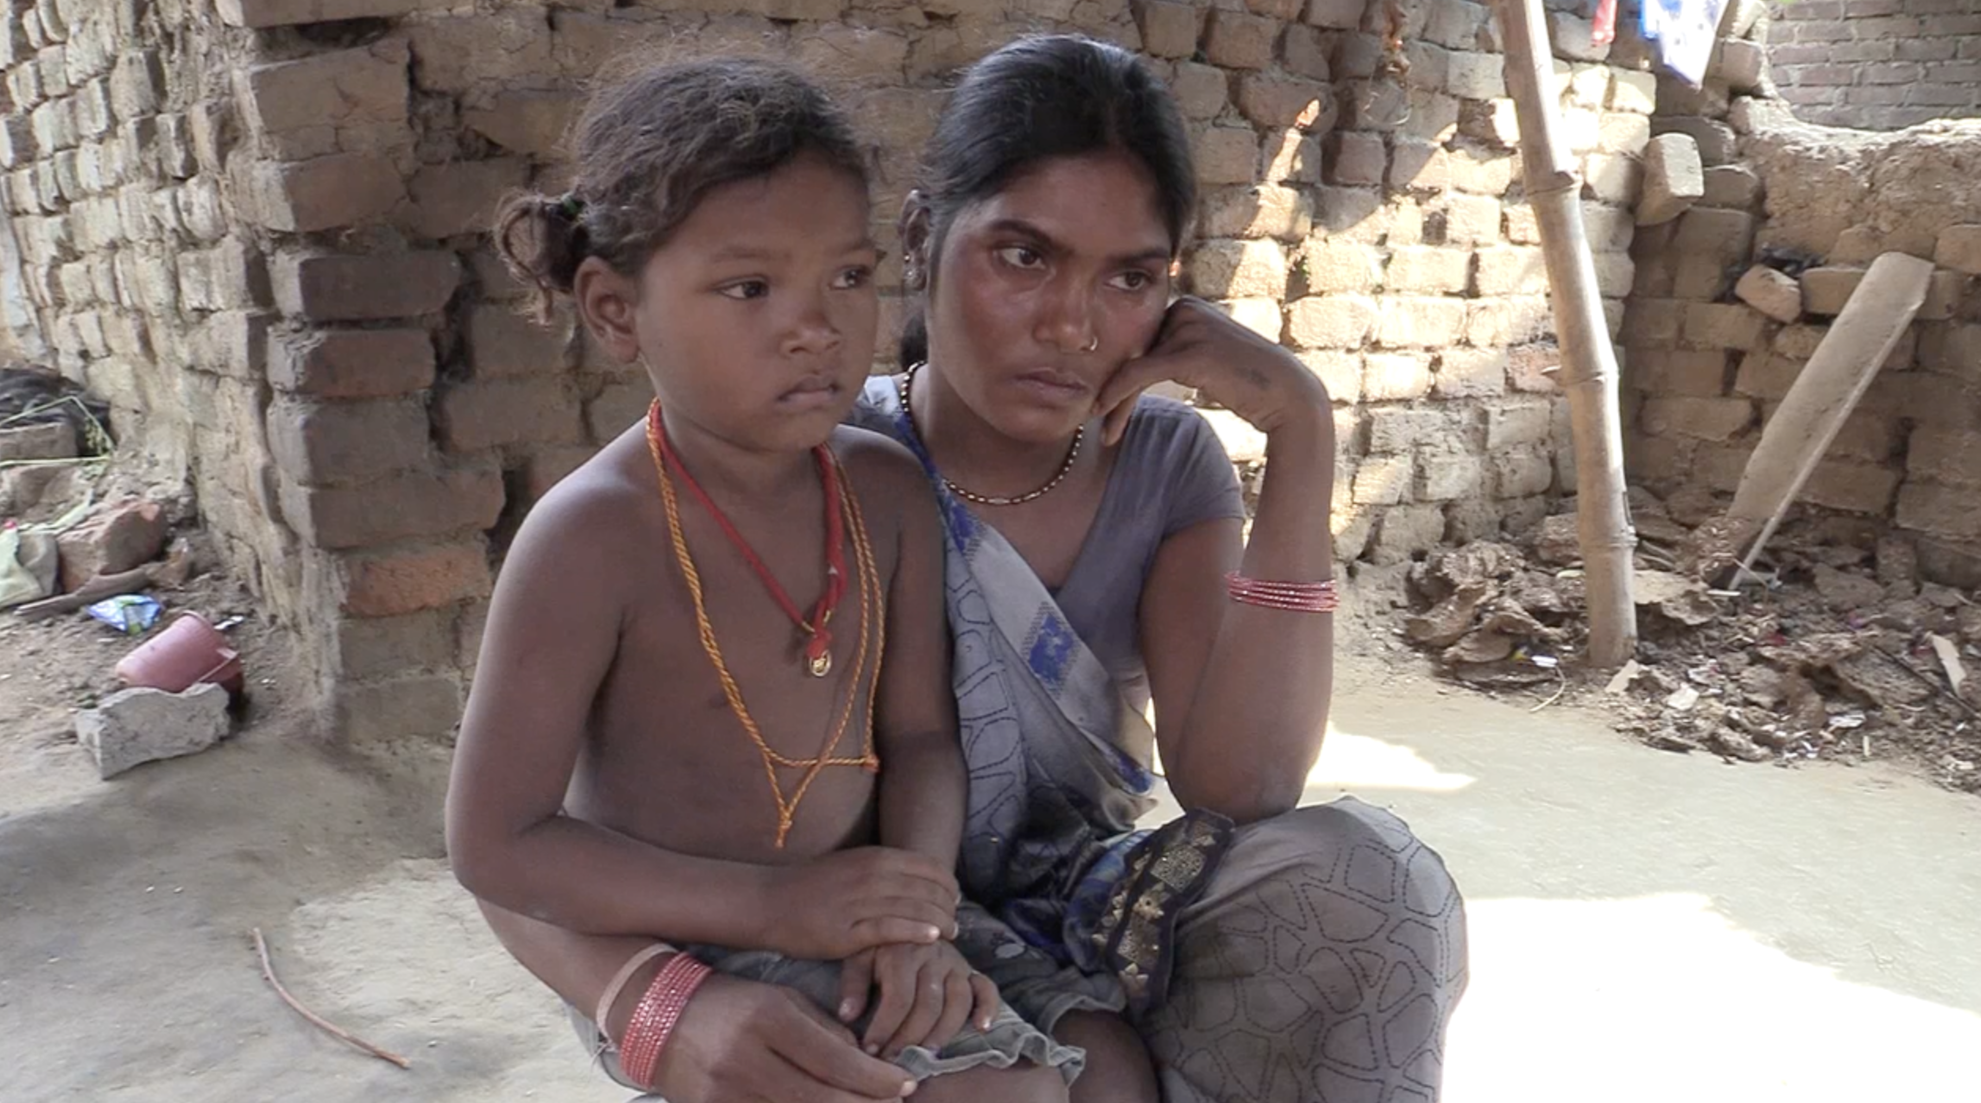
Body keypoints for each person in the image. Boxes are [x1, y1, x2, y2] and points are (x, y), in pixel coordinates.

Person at [481, 36, 1468, 1103]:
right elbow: (506, 832)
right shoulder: (785, 463)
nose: (1069, 323)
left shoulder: (1149, 465)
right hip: (820, 920)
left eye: (1129, 277)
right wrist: (650, 1000)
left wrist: (1300, 432)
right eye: (1023, 255)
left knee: (1364, 891)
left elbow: (1243, 790)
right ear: (921, 236)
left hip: (1036, 905)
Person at [444, 57, 1079, 1103]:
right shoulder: (590, 539)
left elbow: (919, 737)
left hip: (861, 903)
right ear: (614, 311)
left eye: (847, 275)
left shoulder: (881, 491)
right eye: (750, 287)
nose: (817, 326)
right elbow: (495, 843)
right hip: (677, 932)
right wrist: (774, 910)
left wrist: (910, 912)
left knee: (1088, 1068)